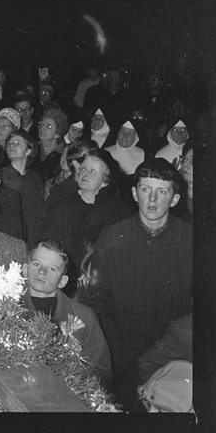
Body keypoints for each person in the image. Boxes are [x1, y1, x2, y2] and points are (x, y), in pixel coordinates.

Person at [80, 158, 192, 411]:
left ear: (174, 199)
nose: (152, 199)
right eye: (145, 189)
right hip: (124, 356)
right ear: (134, 193)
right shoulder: (112, 237)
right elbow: (96, 302)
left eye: (162, 191)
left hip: (174, 359)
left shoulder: (190, 240)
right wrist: (120, 355)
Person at [20, 239, 112, 387]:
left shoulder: (84, 316)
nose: (42, 272)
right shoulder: (6, 309)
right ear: (25, 269)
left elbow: (100, 372)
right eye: (36, 264)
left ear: (63, 281)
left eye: (52, 269)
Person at [44, 147, 134, 290]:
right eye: (83, 169)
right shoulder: (62, 206)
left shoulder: (119, 211)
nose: (85, 174)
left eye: (92, 171)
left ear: (105, 179)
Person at [0, 130, 46, 249]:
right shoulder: (1, 175)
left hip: (33, 238)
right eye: (9, 143)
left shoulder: (35, 178)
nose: (12, 146)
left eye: (18, 143)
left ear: (28, 151)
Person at [32, 108, 68, 185]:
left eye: (48, 126)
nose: (42, 128)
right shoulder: (31, 149)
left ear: (58, 131)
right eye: (41, 125)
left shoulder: (64, 154)